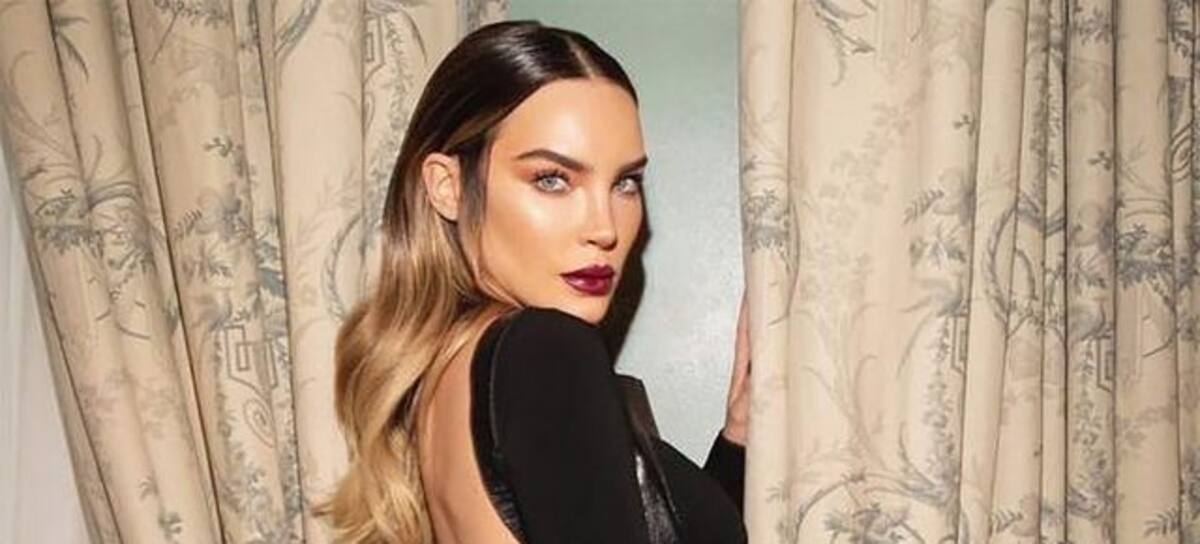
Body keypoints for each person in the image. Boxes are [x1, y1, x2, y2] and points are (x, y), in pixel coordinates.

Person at [318, 20, 751, 544]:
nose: (605, 228)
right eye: (552, 179)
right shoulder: (544, 350)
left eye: (625, 182)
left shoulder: (446, 377)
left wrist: (737, 437)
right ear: (447, 186)